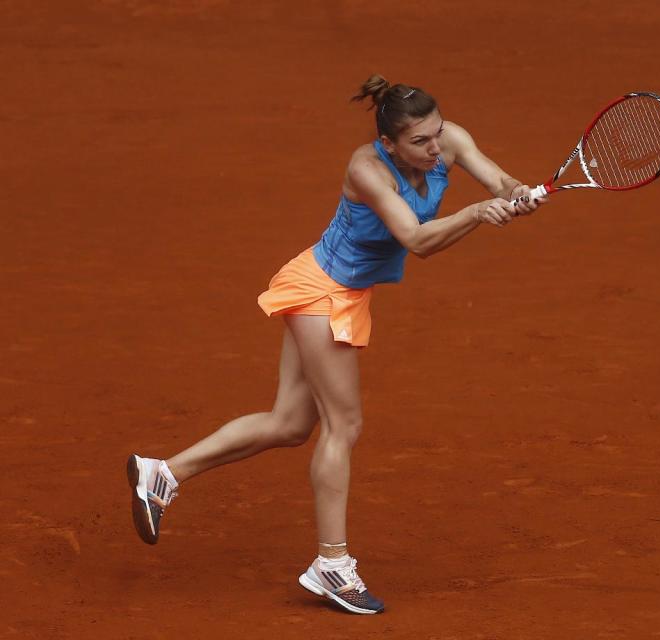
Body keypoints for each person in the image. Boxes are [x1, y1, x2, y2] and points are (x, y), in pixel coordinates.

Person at [126, 74, 545, 615]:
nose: (435, 149)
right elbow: (417, 241)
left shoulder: (450, 141)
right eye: (419, 142)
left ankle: (164, 473)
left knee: (289, 424)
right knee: (343, 425)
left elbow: (499, 180)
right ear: (389, 144)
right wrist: (475, 214)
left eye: (437, 135)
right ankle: (331, 563)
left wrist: (517, 194)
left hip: (337, 291)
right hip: (323, 292)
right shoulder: (366, 169)